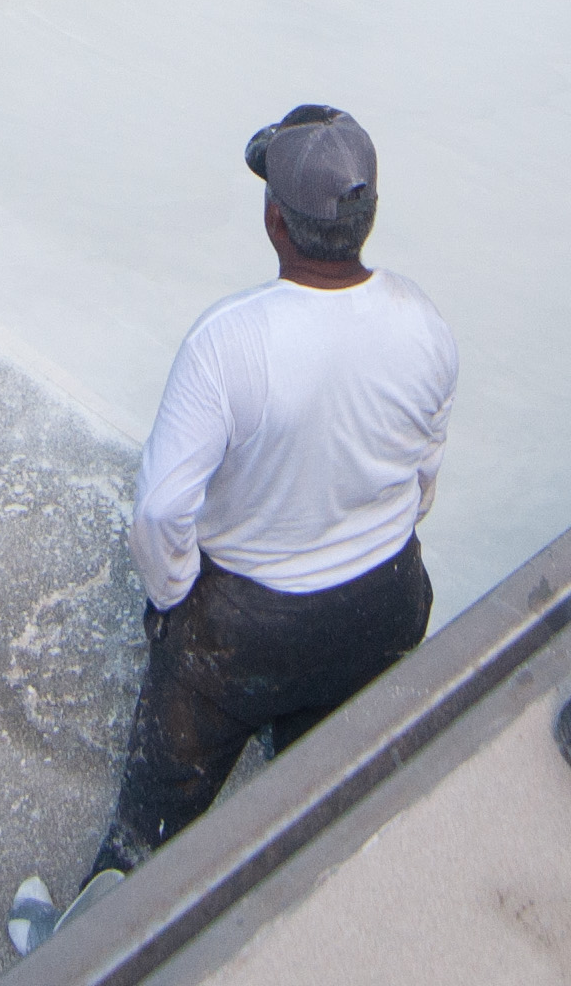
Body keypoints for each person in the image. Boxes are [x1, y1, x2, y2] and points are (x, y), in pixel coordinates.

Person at [85, 109, 458, 889]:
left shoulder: (229, 343)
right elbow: (424, 477)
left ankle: (100, 922)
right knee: (320, 758)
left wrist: (174, 604)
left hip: (244, 631)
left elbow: (159, 513)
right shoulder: (423, 323)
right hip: (384, 607)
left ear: (276, 221)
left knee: (148, 832)